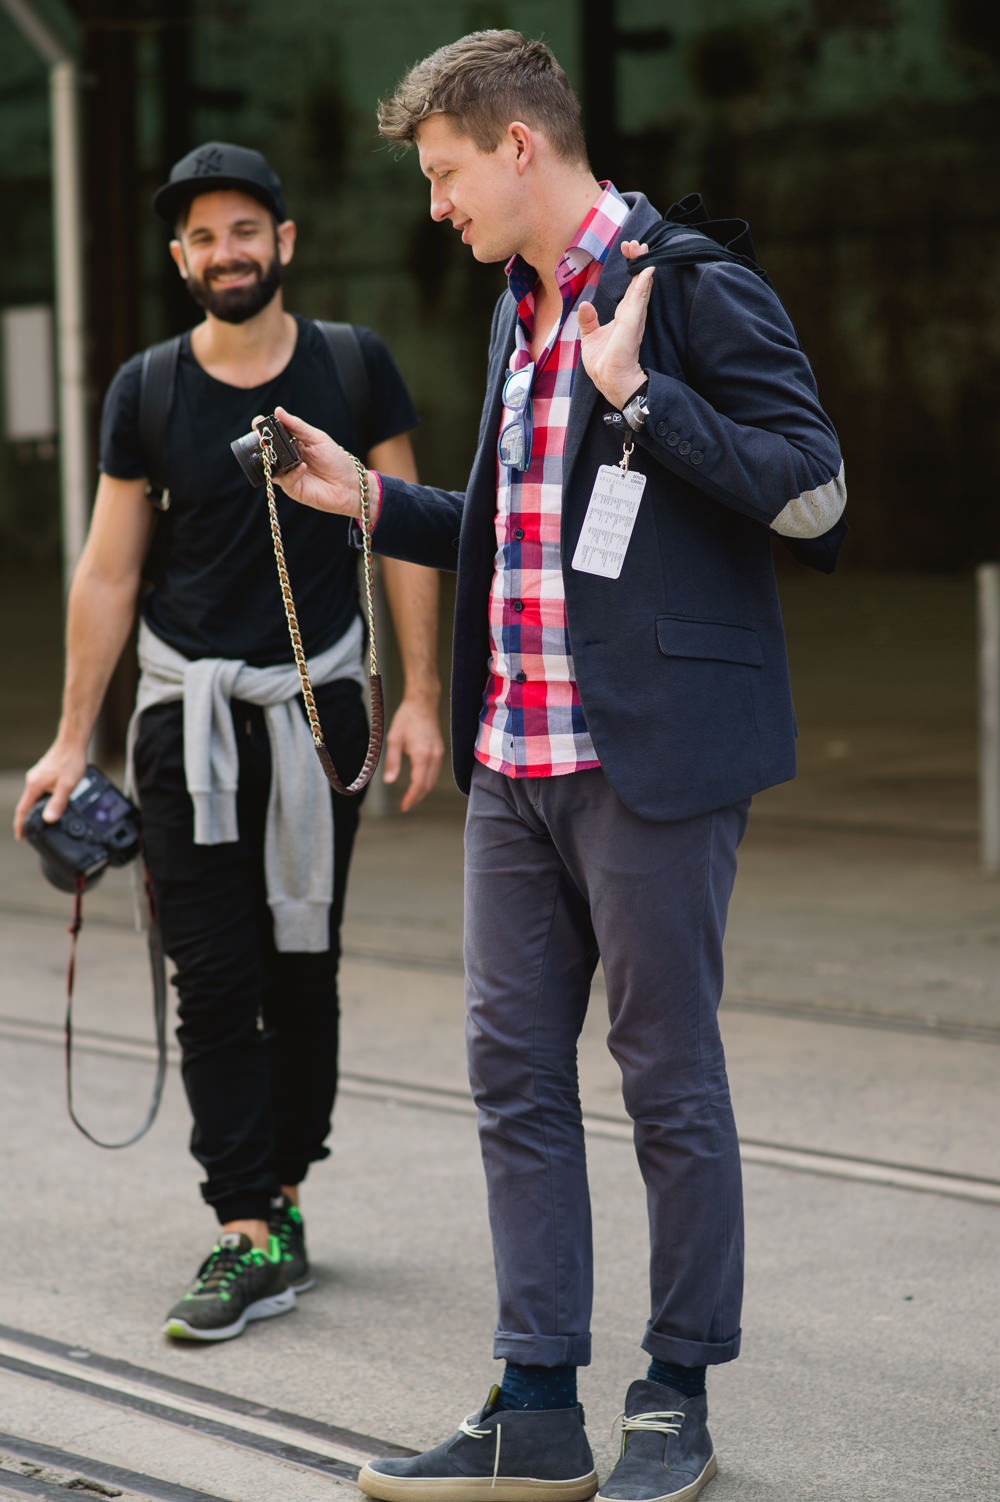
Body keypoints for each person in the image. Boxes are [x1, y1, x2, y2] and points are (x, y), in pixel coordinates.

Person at [272, 29, 846, 1502]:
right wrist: (376, 501)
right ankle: (534, 1406)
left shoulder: (691, 285)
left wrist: (646, 394)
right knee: (511, 1078)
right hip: (514, 757)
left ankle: (676, 1388)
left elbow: (815, 492)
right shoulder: (519, 314)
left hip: (645, 761)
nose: (435, 206)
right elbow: (524, 534)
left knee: (668, 1077)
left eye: (446, 174)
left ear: (518, 145)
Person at [13, 142, 443, 1343]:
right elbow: (108, 569)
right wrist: (66, 740)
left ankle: (288, 1193)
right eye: (203, 236)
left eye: (245, 228)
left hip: (320, 705)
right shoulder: (147, 387)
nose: (227, 251)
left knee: (303, 961)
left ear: (285, 240)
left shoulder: (355, 369)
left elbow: (401, 532)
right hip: (183, 713)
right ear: (180, 258)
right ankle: (243, 1225)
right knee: (207, 970)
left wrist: (418, 697)